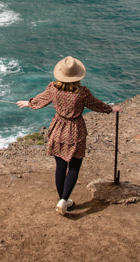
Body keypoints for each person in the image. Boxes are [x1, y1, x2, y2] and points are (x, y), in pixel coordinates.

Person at [17, 56, 121, 216]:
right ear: (77, 75)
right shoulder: (82, 93)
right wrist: (111, 109)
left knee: (60, 167)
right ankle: (64, 200)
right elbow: (96, 105)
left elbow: (42, 99)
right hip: (75, 131)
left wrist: (29, 103)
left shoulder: (53, 88)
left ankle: (62, 200)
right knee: (74, 166)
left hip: (58, 129)